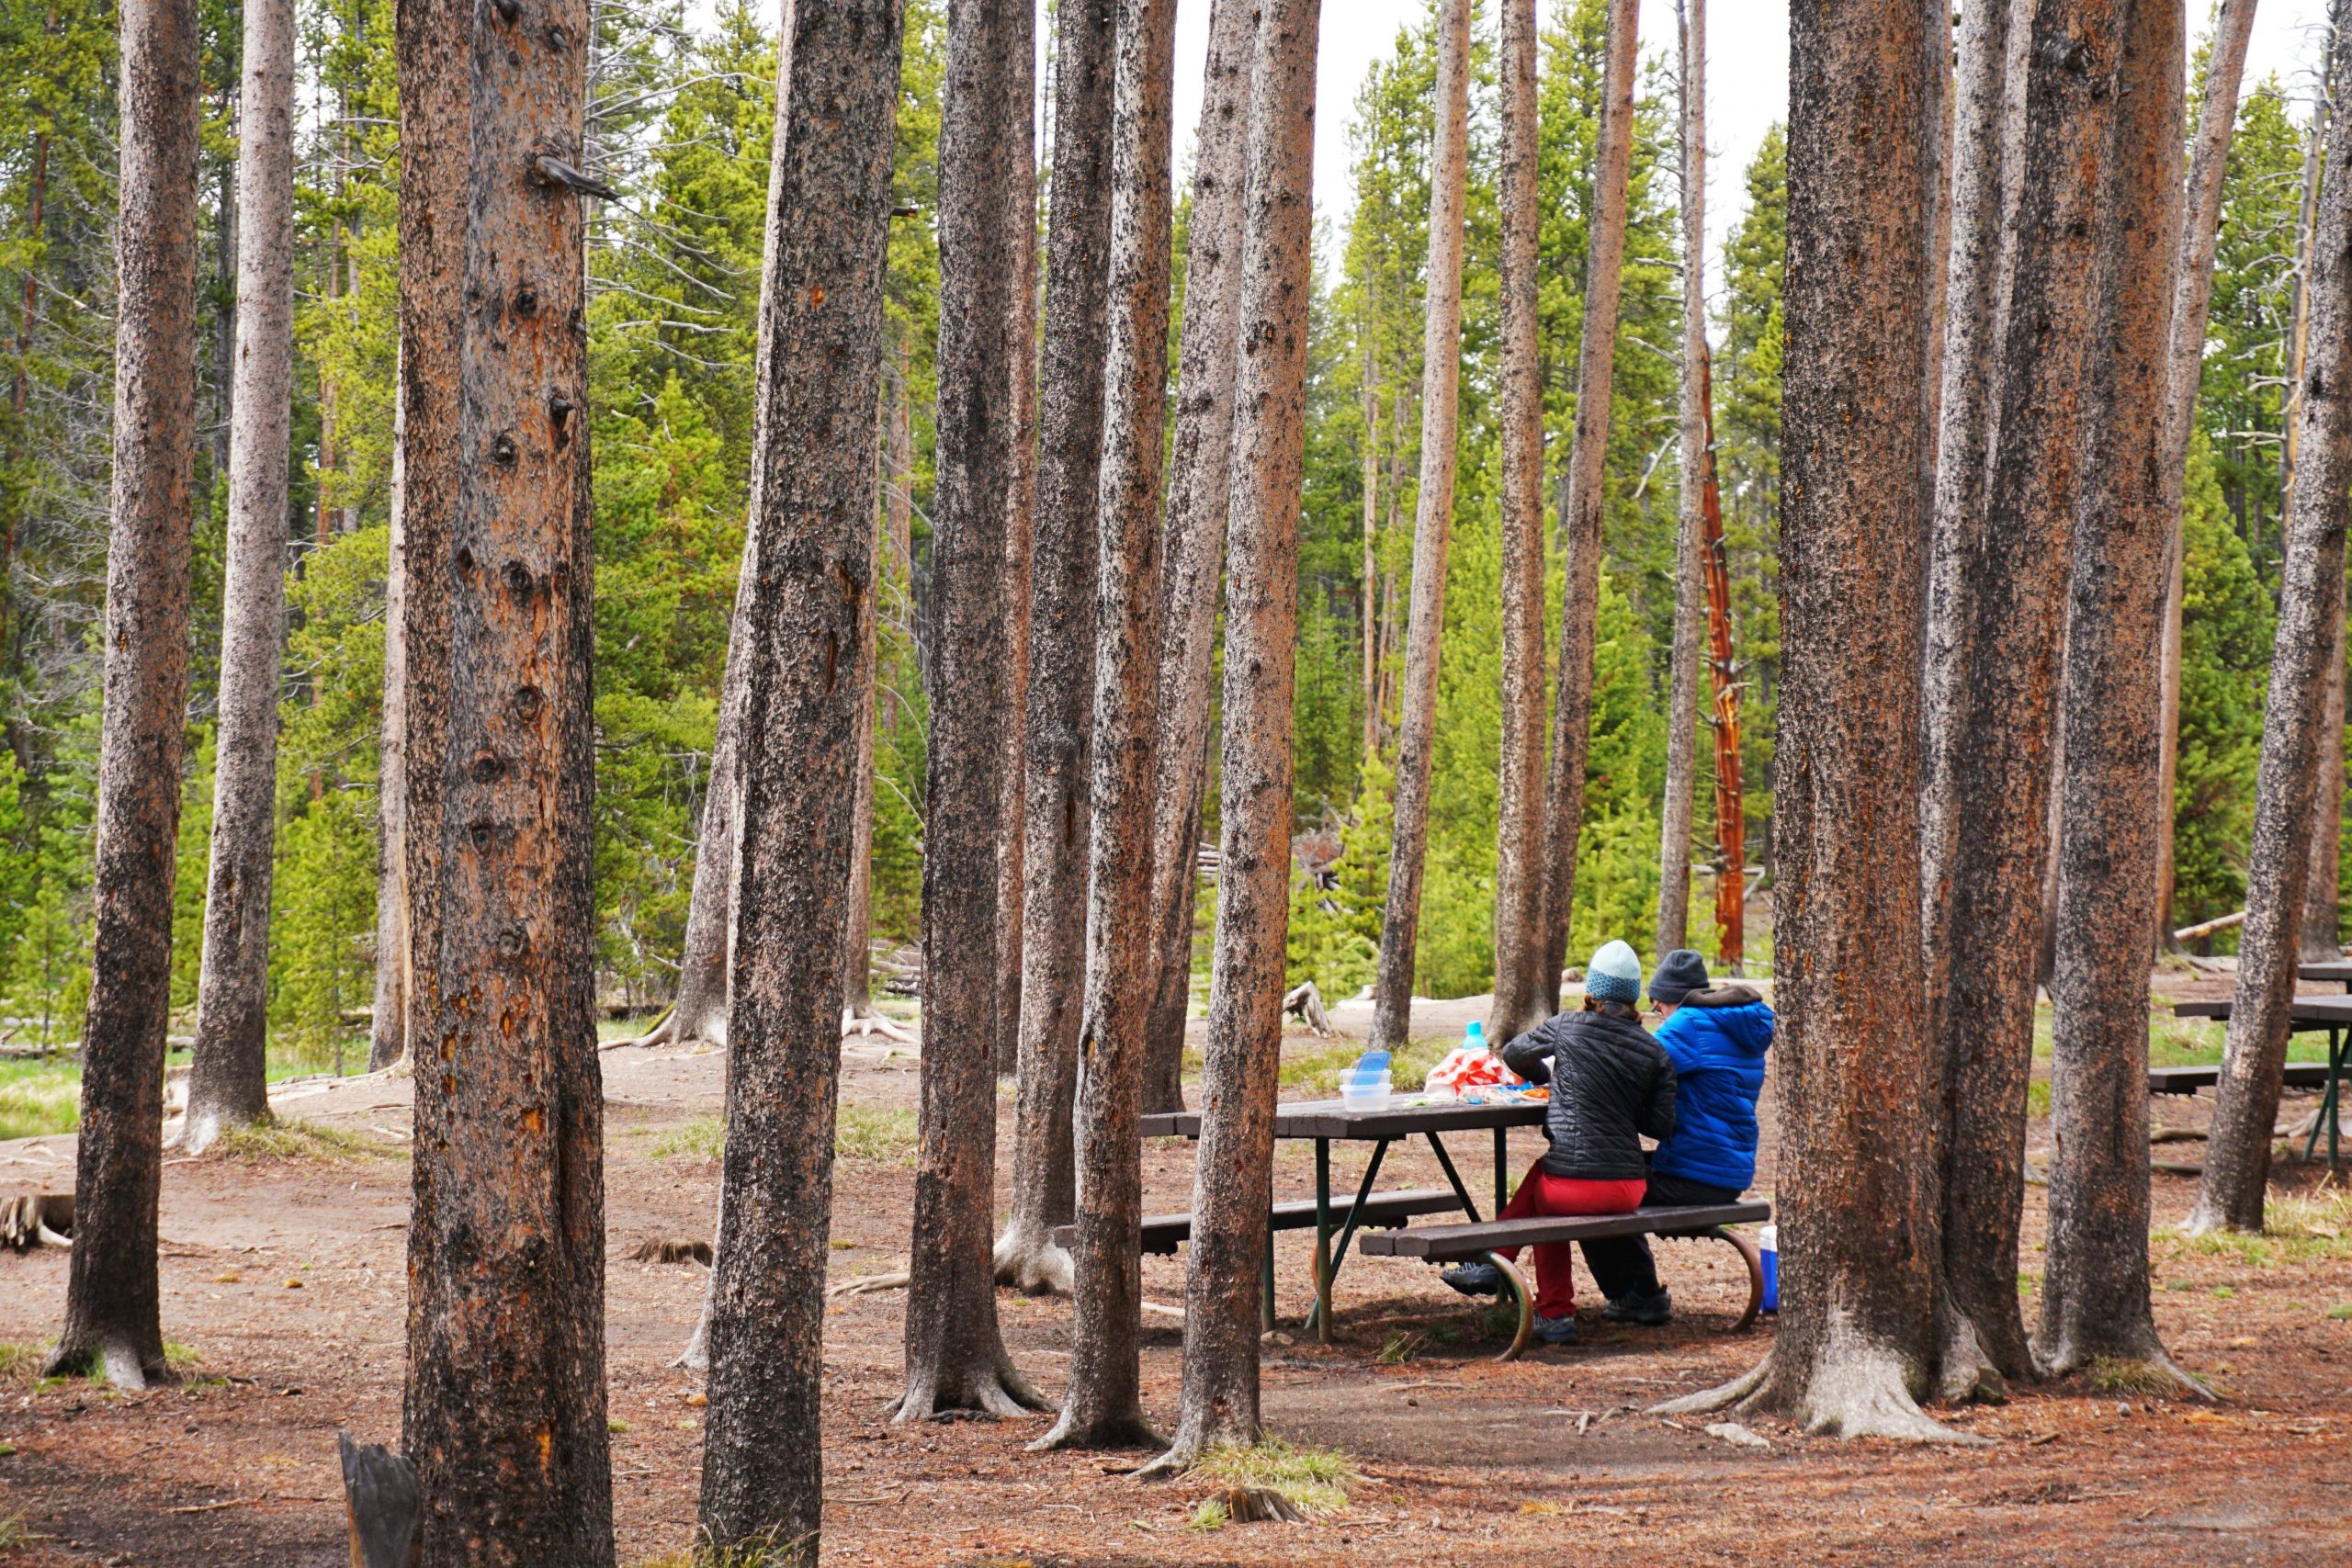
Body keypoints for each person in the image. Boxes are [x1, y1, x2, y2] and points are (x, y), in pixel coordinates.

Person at [1440, 939, 1676, 1346]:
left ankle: (1550, 1307)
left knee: (1547, 1199)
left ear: (1592, 992)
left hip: (1576, 1185)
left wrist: (1553, 1079)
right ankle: (1495, 1265)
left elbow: (1514, 1054)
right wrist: (1619, 1103)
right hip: (1629, 1186)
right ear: (1634, 997)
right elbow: (1660, 1125)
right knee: (1544, 1177)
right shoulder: (1655, 1051)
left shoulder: (1568, 1025)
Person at [1580, 947, 1774, 1325]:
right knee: (1612, 1175)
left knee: (1595, 1186)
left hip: (1695, 1174)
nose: (1658, 1018)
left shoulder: (1689, 1023)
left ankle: (1638, 1295)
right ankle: (1641, 1291)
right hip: (1726, 1168)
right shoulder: (1735, 1023)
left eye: (1656, 1010)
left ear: (1665, 1000)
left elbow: (1634, 1067)